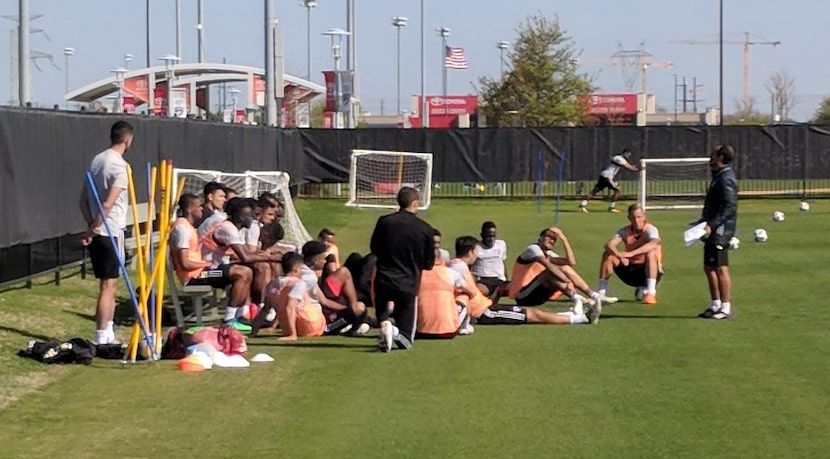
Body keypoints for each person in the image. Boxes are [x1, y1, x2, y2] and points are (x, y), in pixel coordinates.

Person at [451, 236, 597, 326]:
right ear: (470, 252)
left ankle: (576, 315)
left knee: (533, 314)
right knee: (533, 315)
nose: (478, 254)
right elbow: (461, 292)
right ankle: (582, 319)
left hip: (486, 308)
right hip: (485, 312)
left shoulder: (459, 265)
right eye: (476, 251)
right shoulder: (458, 267)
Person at [78, 120, 133, 344]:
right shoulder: (119, 165)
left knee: (107, 283)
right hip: (110, 230)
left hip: (99, 228)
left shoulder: (97, 160)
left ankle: (107, 331)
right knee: (109, 285)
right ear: (128, 140)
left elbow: (82, 201)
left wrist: (91, 225)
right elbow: (108, 204)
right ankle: (102, 334)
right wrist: (95, 228)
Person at [370, 187, 436, 352]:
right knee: (407, 339)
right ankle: (394, 332)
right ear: (415, 203)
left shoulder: (384, 222)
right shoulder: (425, 229)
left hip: (383, 279)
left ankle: (385, 324)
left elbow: (374, 248)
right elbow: (429, 263)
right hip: (408, 284)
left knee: (382, 312)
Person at [200, 197, 281, 331]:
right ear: (238, 216)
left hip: (216, 269)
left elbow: (245, 255)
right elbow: (245, 257)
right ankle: (229, 319)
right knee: (243, 272)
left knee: (247, 270)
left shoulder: (233, 229)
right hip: (203, 273)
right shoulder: (227, 229)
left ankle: (240, 315)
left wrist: (268, 256)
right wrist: (271, 258)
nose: (252, 219)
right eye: (248, 215)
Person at [508, 228, 608, 321]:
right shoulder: (533, 248)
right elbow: (548, 266)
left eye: (554, 239)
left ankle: (592, 296)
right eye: (548, 236)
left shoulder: (549, 255)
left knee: (565, 268)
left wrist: (564, 239)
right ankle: (578, 299)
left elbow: (571, 262)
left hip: (538, 295)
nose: (551, 240)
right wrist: (567, 281)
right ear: (541, 238)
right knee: (549, 272)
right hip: (522, 296)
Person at [696, 144, 738, 320]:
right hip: (712, 227)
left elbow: (729, 207)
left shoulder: (726, 178)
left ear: (721, 157)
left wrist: (712, 225)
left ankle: (726, 308)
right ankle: (715, 304)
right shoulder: (718, 175)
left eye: (714, 154)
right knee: (709, 267)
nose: (711, 157)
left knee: (721, 268)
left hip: (720, 230)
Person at [598, 203, 663, 304]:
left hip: (647, 271)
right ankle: (601, 293)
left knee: (651, 253)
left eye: (639, 217)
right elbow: (609, 245)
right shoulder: (624, 231)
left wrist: (631, 254)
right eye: (633, 217)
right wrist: (619, 255)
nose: (637, 220)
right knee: (608, 255)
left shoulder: (651, 230)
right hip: (630, 269)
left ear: (644, 216)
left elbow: (653, 243)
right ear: (629, 218)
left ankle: (651, 293)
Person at [300, 241, 369, 336]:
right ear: (315, 259)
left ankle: (352, 323)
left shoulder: (305, 272)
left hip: (317, 315)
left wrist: (346, 310)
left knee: (357, 308)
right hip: (318, 322)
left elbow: (324, 300)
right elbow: (323, 302)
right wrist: (350, 311)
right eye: (323, 258)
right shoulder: (308, 277)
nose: (325, 261)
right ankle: (348, 327)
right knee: (357, 309)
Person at [416, 239, 479, 339]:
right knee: (464, 296)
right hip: (447, 331)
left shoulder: (417, 275)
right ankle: (464, 327)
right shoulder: (450, 273)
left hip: (420, 331)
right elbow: (472, 292)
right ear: (440, 259)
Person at [265, 252, 326, 341]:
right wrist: (292, 334)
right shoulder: (298, 284)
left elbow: (266, 309)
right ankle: (293, 333)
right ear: (296, 269)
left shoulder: (273, 284)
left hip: (287, 327)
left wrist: (253, 332)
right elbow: (290, 307)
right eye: (301, 269)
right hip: (311, 325)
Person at [580, 148, 638, 213]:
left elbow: (630, 166)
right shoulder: (619, 158)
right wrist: (638, 169)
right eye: (628, 154)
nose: (629, 156)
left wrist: (636, 167)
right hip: (608, 176)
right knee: (618, 190)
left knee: (594, 191)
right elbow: (628, 167)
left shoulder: (620, 158)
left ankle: (583, 205)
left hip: (604, 175)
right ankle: (612, 207)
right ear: (625, 153)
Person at [471, 221, 509, 301]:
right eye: (488, 236)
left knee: (518, 289)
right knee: (477, 292)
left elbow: (502, 261)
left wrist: (506, 278)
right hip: (483, 280)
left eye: (493, 236)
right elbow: (469, 266)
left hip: (499, 279)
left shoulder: (501, 245)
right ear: (482, 235)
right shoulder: (475, 247)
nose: (491, 239)